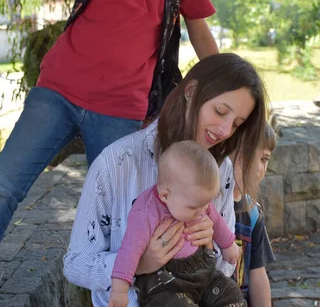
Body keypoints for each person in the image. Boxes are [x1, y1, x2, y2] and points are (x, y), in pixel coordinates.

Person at [0, 0, 219, 304]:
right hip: (56, 93)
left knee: (129, 216)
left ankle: (135, 297)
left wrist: (222, 93)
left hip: (122, 111)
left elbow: (201, 36)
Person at [64, 53, 267, 307]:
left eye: (237, 124)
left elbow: (224, 269)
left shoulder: (221, 168)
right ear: (191, 91)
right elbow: (76, 263)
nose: (225, 131)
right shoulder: (116, 163)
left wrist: (208, 247)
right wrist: (139, 263)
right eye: (220, 111)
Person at [109, 140, 245, 307]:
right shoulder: (146, 213)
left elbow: (216, 220)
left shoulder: (195, 201)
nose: (203, 211)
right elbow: (129, 251)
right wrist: (119, 290)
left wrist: (228, 244)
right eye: (194, 207)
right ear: (166, 196)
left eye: (206, 204)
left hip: (202, 270)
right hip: (164, 283)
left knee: (230, 292)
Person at [232, 125, 276, 306]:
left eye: (264, 159)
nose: (259, 167)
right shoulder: (207, 207)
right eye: (250, 155)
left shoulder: (252, 213)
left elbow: (258, 273)